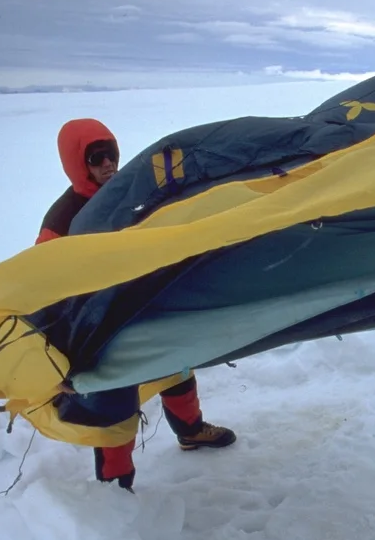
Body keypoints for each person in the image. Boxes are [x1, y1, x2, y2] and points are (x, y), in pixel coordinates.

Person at [37, 118, 237, 490]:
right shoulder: (63, 220)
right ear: (76, 164)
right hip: (97, 330)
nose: (108, 165)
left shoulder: (127, 194)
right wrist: (58, 351)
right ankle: (116, 487)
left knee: (174, 367)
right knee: (114, 403)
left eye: (111, 154)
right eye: (96, 159)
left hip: (139, 308)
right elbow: (43, 287)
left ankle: (191, 432)